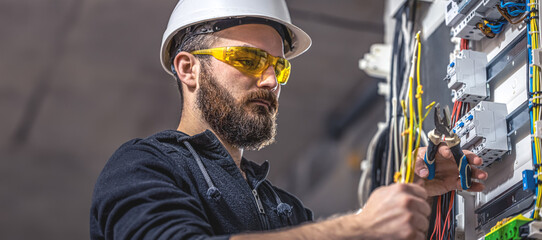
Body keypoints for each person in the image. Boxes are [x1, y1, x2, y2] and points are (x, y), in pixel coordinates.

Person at [90, 0, 488, 239]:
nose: (269, 80)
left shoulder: (284, 210)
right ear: (188, 69)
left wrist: (419, 194)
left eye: (278, 68)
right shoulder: (143, 167)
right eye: (248, 60)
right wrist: (359, 227)